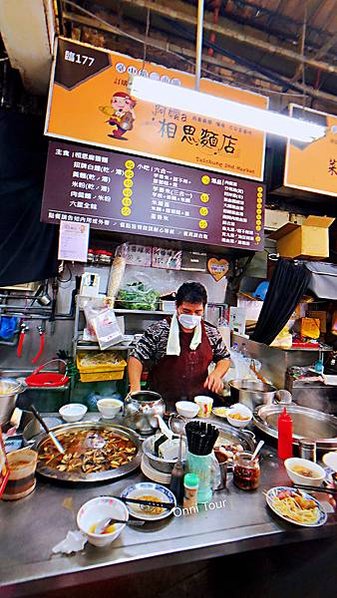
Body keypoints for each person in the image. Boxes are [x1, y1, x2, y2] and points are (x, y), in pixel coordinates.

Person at [128, 282, 230, 407]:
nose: (192, 316)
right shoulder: (159, 330)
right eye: (186, 311)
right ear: (177, 306)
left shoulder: (211, 332)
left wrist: (217, 374)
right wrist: (135, 389)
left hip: (198, 403)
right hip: (162, 403)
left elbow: (224, 358)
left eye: (198, 312)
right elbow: (136, 357)